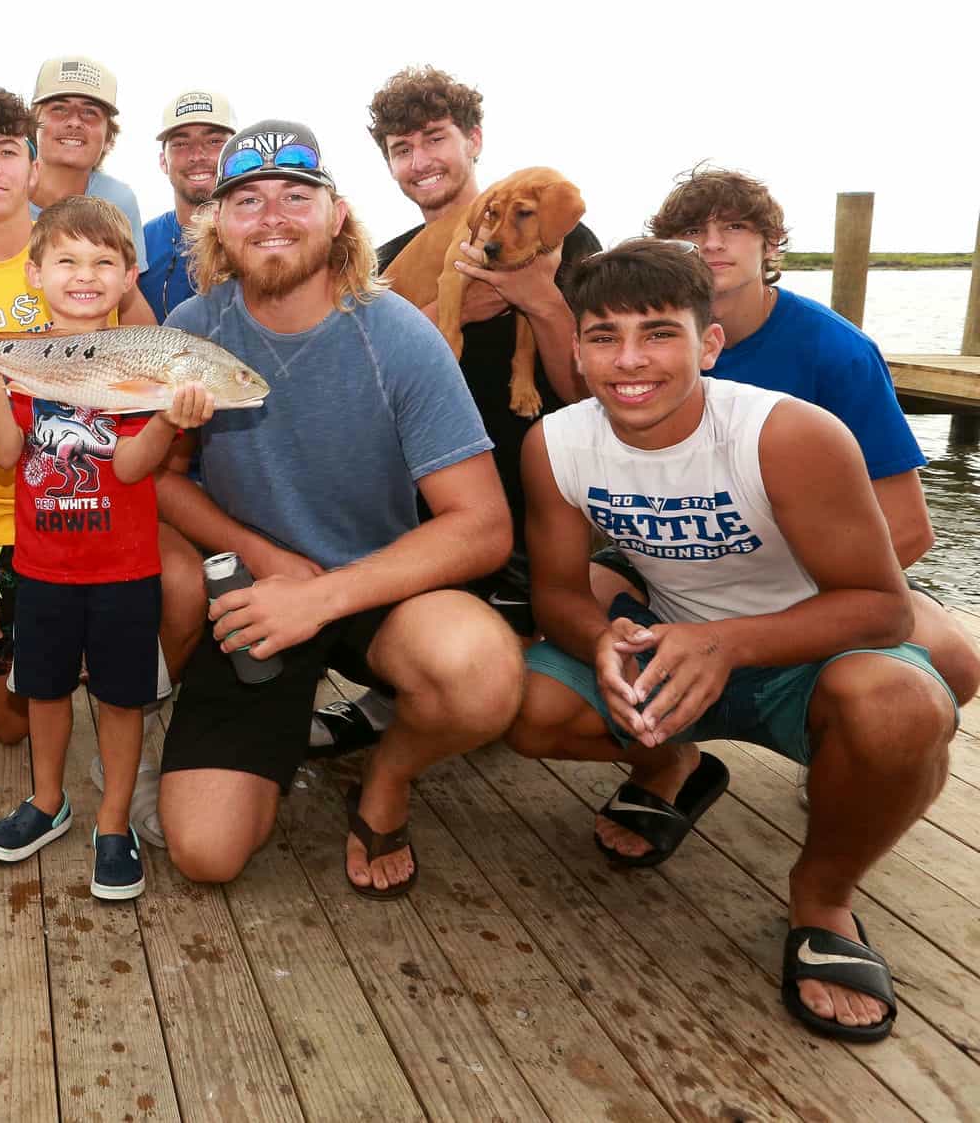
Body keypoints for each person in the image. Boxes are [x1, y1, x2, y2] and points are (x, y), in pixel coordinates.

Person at [508, 238, 955, 1043]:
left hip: (809, 646)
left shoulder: (788, 435)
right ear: (573, 350)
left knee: (905, 709)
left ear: (709, 343)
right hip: (674, 640)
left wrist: (726, 643)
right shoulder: (558, 444)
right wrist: (601, 642)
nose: (629, 360)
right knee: (533, 707)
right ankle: (671, 764)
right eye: (603, 336)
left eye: (659, 332)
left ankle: (823, 897)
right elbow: (558, 594)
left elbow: (882, 607)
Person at [155, 119, 521, 894]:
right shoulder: (191, 331)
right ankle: (261, 726)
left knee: (481, 673)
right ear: (217, 223)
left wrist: (322, 595)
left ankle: (387, 775)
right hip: (254, 593)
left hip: (372, 586)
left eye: (296, 194)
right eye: (247, 200)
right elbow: (163, 477)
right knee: (205, 853)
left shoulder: (399, 336)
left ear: (338, 213)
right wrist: (269, 561)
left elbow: (483, 526)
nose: (273, 216)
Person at [0, 89, 205, 848]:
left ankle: (129, 744)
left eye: (8, 151)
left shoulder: (89, 253)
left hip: (111, 517)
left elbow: (151, 379)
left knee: (184, 587)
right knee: (11, 718)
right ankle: (56, 778)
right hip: (4, 527)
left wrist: (177, 408)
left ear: (35, 166)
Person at [309, 65, 598, 759]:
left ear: (474, 140)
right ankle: (401, 691)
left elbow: (592, 397)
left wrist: (540, 297)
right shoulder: (389, 263)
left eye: (434, 139)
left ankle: (453, 687)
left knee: (510, 702)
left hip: (536, 505)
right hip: (431, 502)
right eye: (401, 149)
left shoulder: (568, 245)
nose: (420, 161)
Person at [641, 165, 979, 708]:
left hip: (811, 571)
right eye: (692, 232)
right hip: (681, 556)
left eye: (733, 228)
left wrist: (782, 618)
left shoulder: (836, 351)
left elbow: (910, 528)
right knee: (568, 608)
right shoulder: (640, 348)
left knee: (955, 668)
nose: (711, 244)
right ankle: (667, 759)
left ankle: (830, 740)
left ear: (772, 246)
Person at [0, 197, 216, 899]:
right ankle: (47, 802)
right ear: (35, 274)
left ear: (129, 275)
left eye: (104, 262)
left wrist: (165, 416)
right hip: (42, 568)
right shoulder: (17, 361)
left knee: (122, 698)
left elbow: (132, 470)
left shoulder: (147, 360)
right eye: (66, 261)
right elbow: (6, 457)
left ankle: (111, 821)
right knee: (41, 692)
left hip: (127, 570)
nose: (84, 275)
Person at [0, 55, 150, 273]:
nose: (74, 121)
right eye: (59, 109)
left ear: (109, 135)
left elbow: (126, 296)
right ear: (34, 123)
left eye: (90, 112)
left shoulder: (118, 200)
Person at [138, 90, 237, 322]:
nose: (197, 155)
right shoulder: (140, 244)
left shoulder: (263, 237)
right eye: (181, 144)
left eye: (214, 142)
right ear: (163, 161)